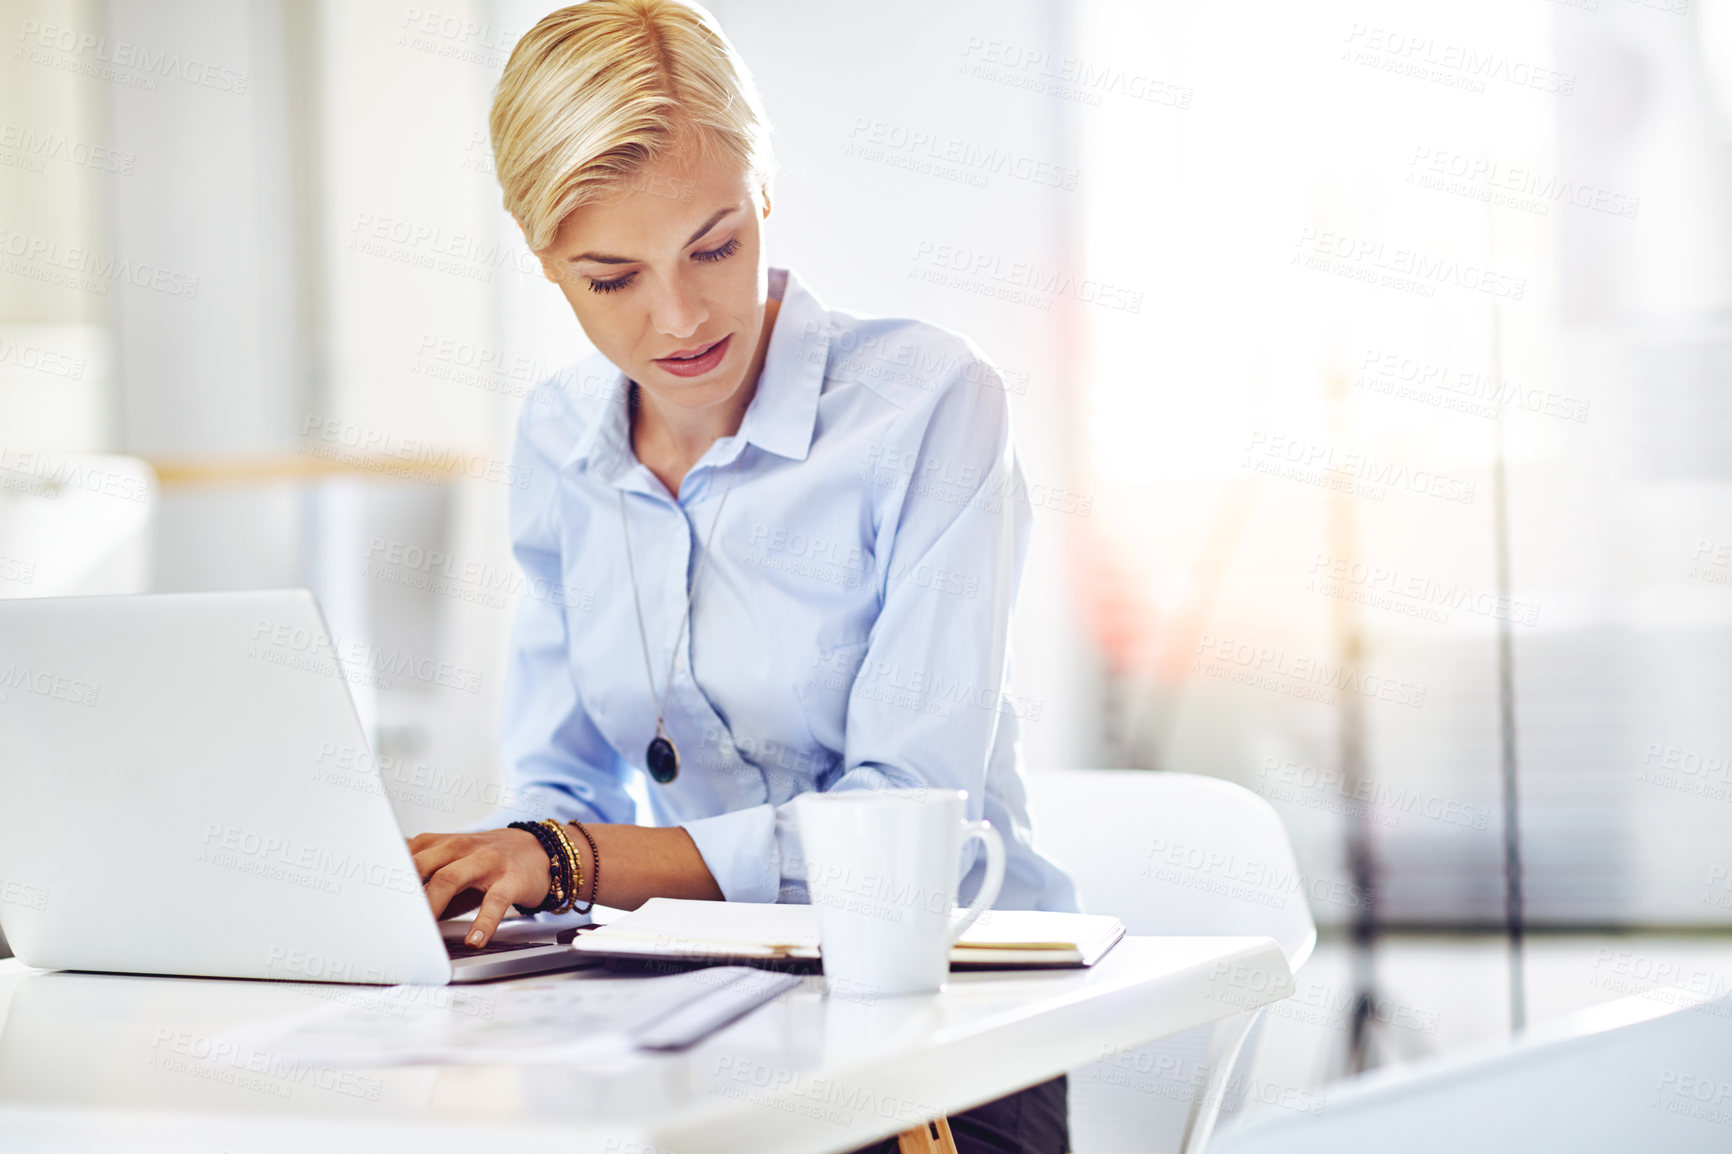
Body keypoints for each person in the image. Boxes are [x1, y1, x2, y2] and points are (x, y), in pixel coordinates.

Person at [409, 3, 1076, 1149]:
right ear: (545, 261)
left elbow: (898, 817)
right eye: (611, 276)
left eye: (713, 245)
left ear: (765, 191)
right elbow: (558, 778)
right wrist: (484, 873)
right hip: (703, 1002)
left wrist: (571, 859)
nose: (677, 319)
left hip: (946, 1018)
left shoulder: (927, 404)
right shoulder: (562, 434)